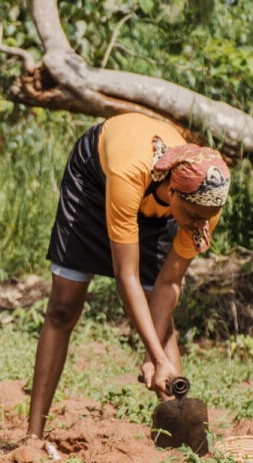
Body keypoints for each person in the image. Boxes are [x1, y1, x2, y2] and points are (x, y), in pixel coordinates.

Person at [26, 112, 230, 440]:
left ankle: (181, 449)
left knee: (163, 330)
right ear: (173, 192)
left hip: (156, 202)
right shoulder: (129, 174)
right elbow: (126, 276)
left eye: (205, 220)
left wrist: (155, 357)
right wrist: (157, 356)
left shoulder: (204, 207)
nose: (197, 226)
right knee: (64, 306)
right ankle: (33, 438)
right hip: (97, 181)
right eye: (192, 217)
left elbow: (169, 282)